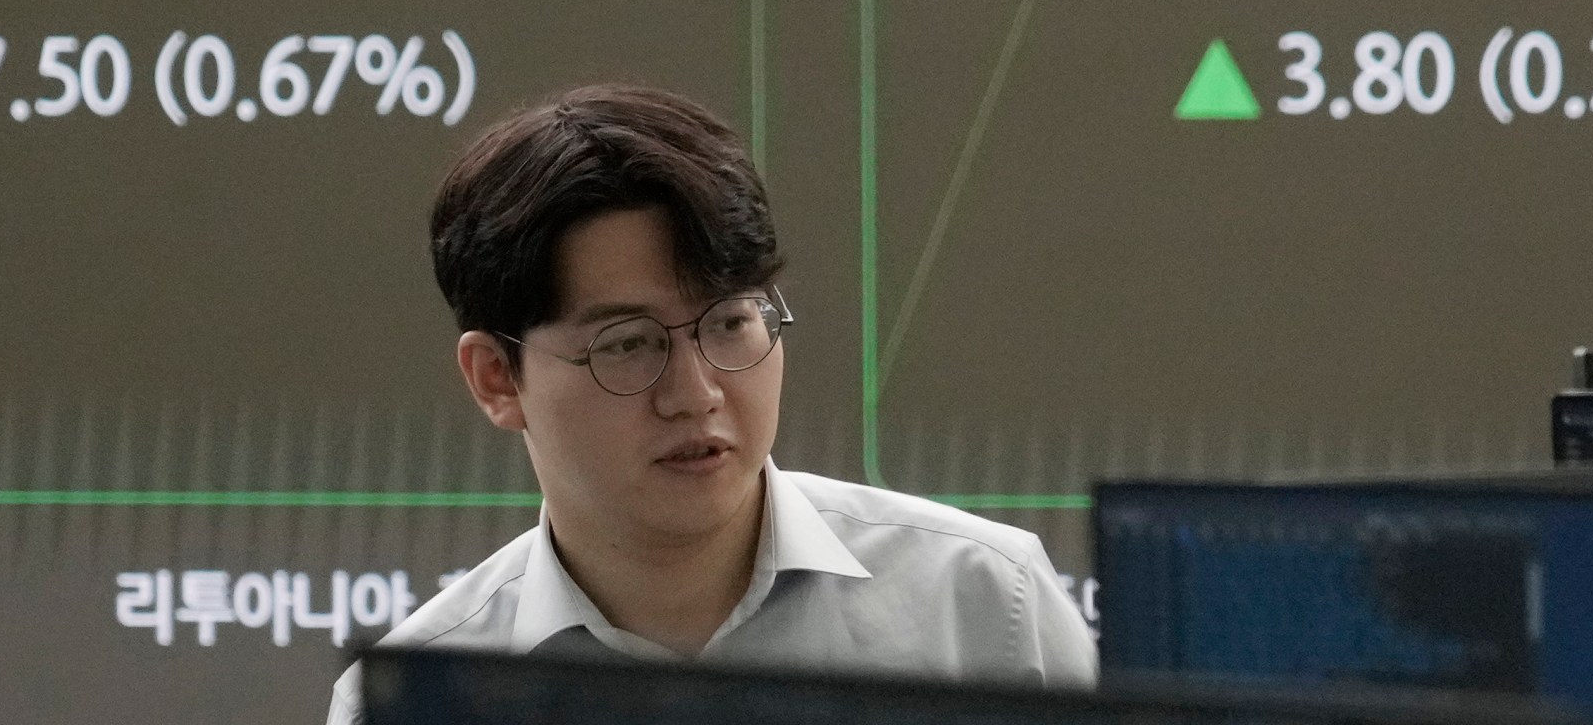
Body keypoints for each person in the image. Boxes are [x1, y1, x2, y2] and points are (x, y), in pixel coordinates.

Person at [325, 85, 1095, 722]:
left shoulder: (986, 607)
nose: (696, 395)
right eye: (629, 344)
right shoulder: (414, 699)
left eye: (731, 323)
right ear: (497, 378)